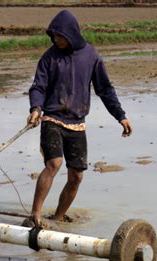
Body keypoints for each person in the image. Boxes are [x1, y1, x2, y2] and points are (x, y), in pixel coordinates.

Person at [23, 10, 133, 228]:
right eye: (54, 36)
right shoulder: (49, 57)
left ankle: (58, 218)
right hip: (52, 119)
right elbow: (38, 87)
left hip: (77, 123)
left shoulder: (91, 56)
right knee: (54, 163)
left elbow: (105, 89)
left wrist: (120, 116)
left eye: (60, 36)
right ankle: (34, 215)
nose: (56, 40)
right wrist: (36, 109)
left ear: (71, 34)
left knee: (76, 176)